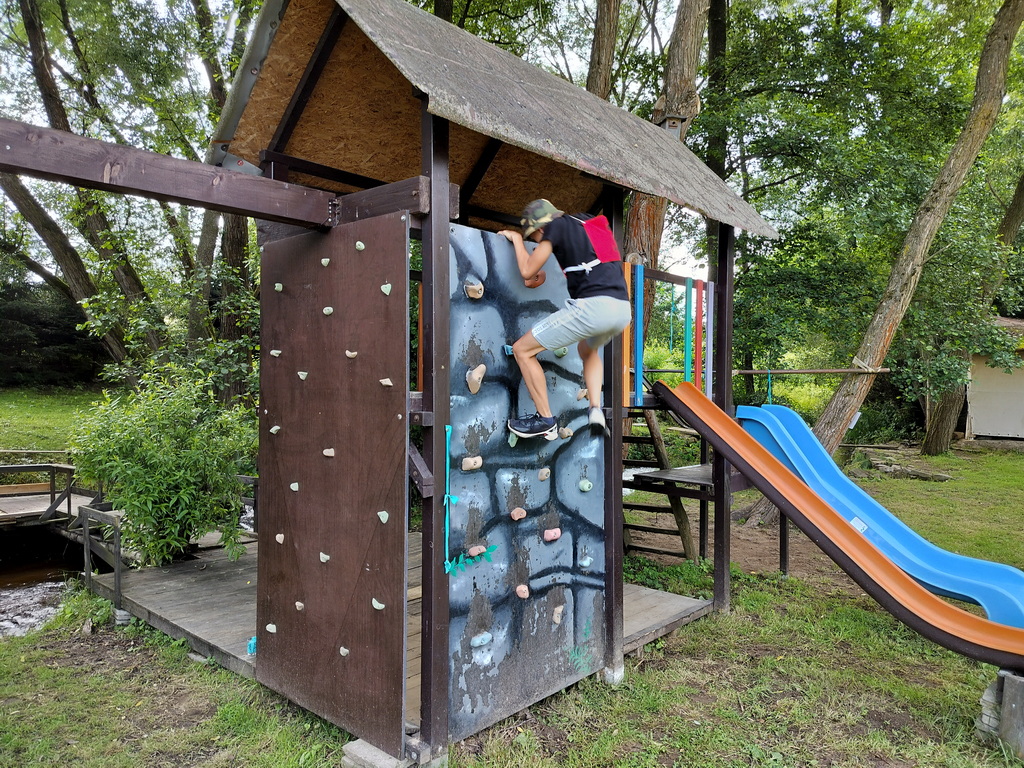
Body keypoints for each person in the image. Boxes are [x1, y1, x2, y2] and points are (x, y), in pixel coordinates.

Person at [499, 199, 631, 439]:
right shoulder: (588, 223)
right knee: (587, 350)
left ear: (541, 228)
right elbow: (593, 264)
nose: (538, 243)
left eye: (535, 239)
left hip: (593, 308)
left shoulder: (555, 226)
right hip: (621, 310)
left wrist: (517, 240)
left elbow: (527, 270)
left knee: (522, 350)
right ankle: (595, 409)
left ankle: (545, 420)